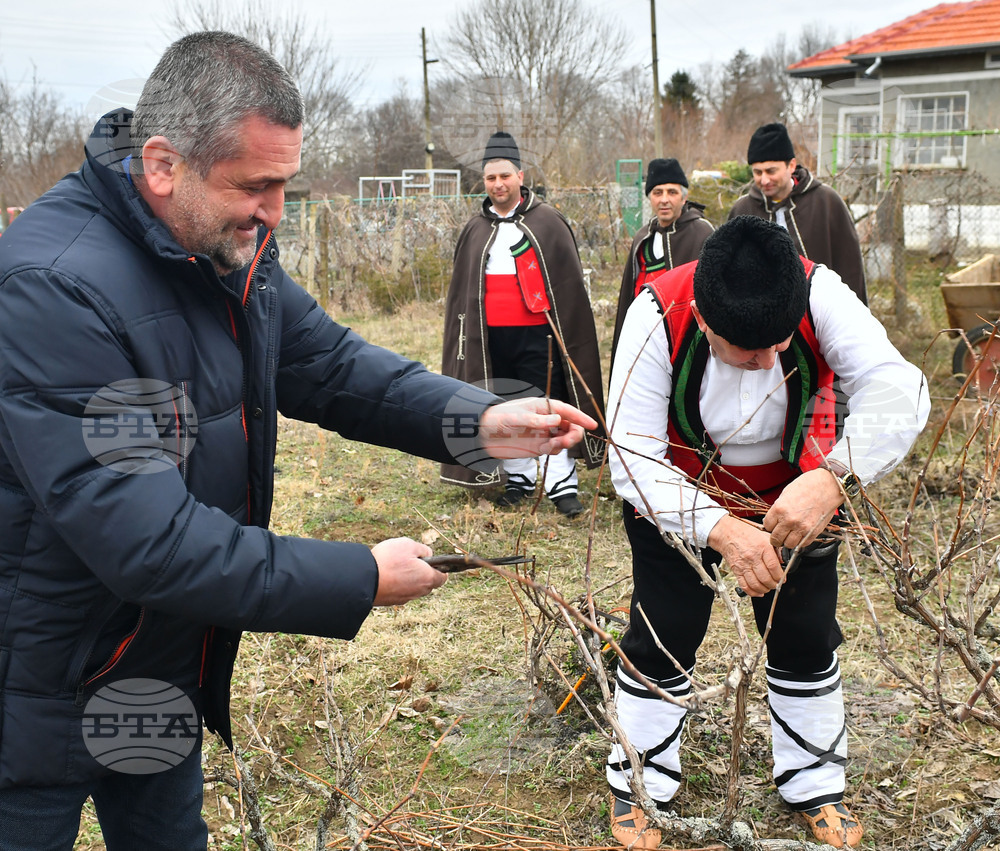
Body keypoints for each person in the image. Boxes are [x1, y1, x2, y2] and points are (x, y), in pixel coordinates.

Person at [0, 32, 597, 850]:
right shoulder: (59, 289)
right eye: (257, 186)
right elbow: (150, 541)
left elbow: (328, 363)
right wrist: (361, 577)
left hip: (157, 664)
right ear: (165, 164)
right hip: (38, 686)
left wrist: (477, 420)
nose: (275, 212)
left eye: (285, 184)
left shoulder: (221, 246)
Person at [605, 216, 928, 849]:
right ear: (704, 321)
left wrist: (835, 477)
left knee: (805, 633)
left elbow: (901, 388)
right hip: (678, 490)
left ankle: (813, 782)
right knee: (663, 632)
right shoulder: (655, 312)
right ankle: (641, 783)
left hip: (800, 488)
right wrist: (719, 527)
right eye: (747, 351)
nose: (768, 361)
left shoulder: (819, 292)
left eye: (780, 343)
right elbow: (632, 454)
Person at [441, 131, 605, 517]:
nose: (498, 184)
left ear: (520, 176)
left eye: (505, 176)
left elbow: (567, 287)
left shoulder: (547, 222)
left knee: (547, 407)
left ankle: (561, 484)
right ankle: (520, 478)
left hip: (538, 335)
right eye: (491, 178)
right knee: (505, 407)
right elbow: (462, 294)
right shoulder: (475, 229)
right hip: (489, 339)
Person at [728, 123, 868, 305]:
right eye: (757, 172)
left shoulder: (826, 202)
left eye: (771, 171)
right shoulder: (742, 210)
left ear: (791, 165)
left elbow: (850, 267)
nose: (764, 179)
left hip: (820, 311)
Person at [610, 158, 714, 362]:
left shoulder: (703, 233)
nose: (664, 200)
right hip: (645, 338)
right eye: (658, 193)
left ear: (684, 197)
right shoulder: (643, 237)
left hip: (687, 342)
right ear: (650, 197)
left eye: (672, 192)